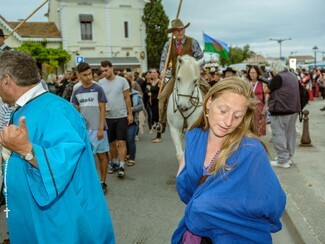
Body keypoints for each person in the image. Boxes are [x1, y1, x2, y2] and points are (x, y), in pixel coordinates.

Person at [0, 51, 115, 243]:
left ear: (6, 81)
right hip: (35, 217)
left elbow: (60, 163)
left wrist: (26, 150)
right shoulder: (24, 109)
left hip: (59, 223)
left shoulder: (58, 110)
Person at [172, 77, 286, 243]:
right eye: (223, 111)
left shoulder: (251, 151)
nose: (228, 122)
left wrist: (216, 208)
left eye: (237, 116)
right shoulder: (193, 136)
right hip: (195, 235)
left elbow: (274, 203)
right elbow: (185, 188)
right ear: (209, 102)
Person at [157, 18, 209, 134]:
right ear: (173, 33)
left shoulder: (193, 42)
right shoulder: (168, 45)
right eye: (177, 30)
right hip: (177, 77)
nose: (180, 32)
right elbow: (163, 61)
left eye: (181, 29)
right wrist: (162, 71)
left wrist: (196, 70)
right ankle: (162, 122)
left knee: (209, 91)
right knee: (162, 97)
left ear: (184, 30)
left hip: (192, 76)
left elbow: (201, 59)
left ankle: (209, 118)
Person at [71, 62, 110, 194]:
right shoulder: (76, 91)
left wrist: (100, 129)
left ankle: (103, 182)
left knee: (102, 156)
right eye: (85, 75)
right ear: (79, 75)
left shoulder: (98, 88)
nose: (89, 77)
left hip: (99, 129)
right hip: (84, 131)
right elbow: (75, 113)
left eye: (90, 74)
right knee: (86, 158)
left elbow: (103, 109)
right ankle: (89, 183)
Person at [98, 60, 133, 178]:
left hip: (121, 116)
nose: (104, 73)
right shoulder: (100, 83)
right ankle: (115, 162)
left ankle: (122, 165)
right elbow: (99, 100)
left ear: (111, 68)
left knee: (121, 141)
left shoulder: (122, 81)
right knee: (112, 144)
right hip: (107, 117)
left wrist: (130, 114)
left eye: (106, 70)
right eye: (102, 71)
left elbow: (127, 98)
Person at [265, 61, 301, 168]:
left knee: (278, 134)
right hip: (293, 109)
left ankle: (282, 160)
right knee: (290, 135)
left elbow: (266, 90)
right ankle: (288, 157)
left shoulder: (278, 77)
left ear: (274, 69)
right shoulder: (292, 75)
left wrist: (271, 79)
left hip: (280, 110)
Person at [247, 65, 268, 136]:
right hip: (249, 109)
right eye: (250, 72)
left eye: (253, 73)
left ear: (257, 74)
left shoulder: (262, 84)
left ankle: (257, 144)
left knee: (258, 130)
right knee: (248, 129)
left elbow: (266, 97)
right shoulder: (247, 84)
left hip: (259, 109)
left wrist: (265, 109)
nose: (251, 74)